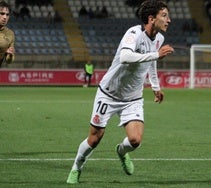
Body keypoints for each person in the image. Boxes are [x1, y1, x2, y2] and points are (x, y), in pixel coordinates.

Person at [66, 0, 174, 184]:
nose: (169, 20)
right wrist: (156, 54)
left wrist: (155, 86)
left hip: (133, 98)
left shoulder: (159, 39)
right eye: (164, 16)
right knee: (94, 138)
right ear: (151, 18)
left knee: (135, 140)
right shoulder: (133, 34)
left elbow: (151, 63)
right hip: (108, 94)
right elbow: (125, 57)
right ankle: (77, 167)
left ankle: (121, 152)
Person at [0, 1, 15, 68]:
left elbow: (9, 61)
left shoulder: (10, 34)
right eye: (2, 13)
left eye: (7, 14)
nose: (5, 17)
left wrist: (10, 54)